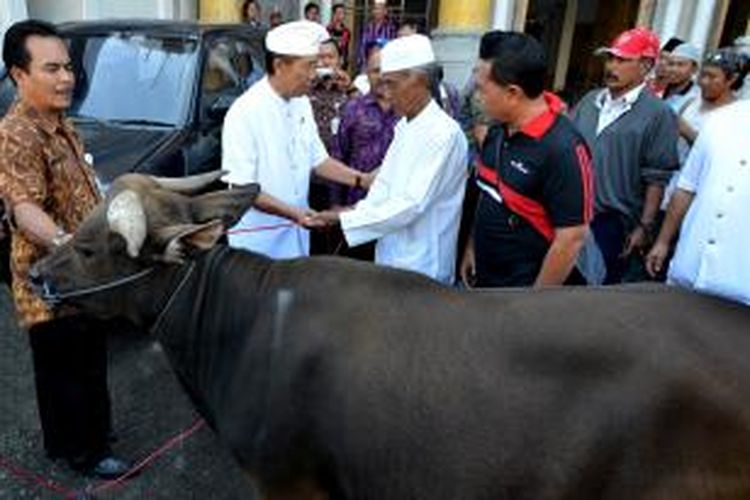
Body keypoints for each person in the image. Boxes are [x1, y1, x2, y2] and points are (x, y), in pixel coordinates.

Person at [0, 20, 131, 479]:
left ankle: (69, 439)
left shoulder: (62, 123)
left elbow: (83, 186)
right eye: (51, 68)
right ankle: (88, 453)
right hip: (52, 278)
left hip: (83, 272)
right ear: (19, 75)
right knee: (70, 367)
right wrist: (67, 243)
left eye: (69, 67)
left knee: (78, 362)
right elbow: (23, 209)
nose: (67, 78)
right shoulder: (17, 132)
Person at [315, 35, 468, 284]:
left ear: (419, 81)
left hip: (423, 265)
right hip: (391, 256)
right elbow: (384, 187)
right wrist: (348, 212)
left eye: (392, 84)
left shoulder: (444, 134)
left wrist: (345, 219)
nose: (385, 92)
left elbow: (411, 204)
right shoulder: (406, 126)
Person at [221, 21, 371, 259]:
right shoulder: (244, 112)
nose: (314, 75)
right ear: (280, 65)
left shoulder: (301, 102)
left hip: (296, 233)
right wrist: (295, 214)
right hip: (258, 243)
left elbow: (318, 160)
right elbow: (242, 189)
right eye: (309, 66)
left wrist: (362, 179)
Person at [460, 32, 593, 288]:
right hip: (486, 286)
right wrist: (472, 247)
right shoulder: (496, 132)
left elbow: (571, 239)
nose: (477, 97)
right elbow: (488, 195)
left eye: (482, 89)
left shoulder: (564, 149)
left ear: (512, 93)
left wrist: (533, 305)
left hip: (524, 301)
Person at [571, 28, 679, 284]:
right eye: (610, 58)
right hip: (570, 213)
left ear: (646, 65)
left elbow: (657, 177)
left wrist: (644, 226)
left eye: (622, 60)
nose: (611, 66)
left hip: (612, 222)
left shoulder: (658, 114)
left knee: (596, 292)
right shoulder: (589, 101)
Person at [645, 99, 750, 305]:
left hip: (741, 287)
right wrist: (663, 241)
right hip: (689, 272)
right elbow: (686, 187)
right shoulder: (721, 119)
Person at [330, 40, 399, 260]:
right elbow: (338, 155)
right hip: (356, 209)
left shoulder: (407, 110)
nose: (382, 76)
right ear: (366, 73)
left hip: (394, 211)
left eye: (386, 70)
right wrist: (336, 206)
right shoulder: (353, 109)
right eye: (375, 70)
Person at [357, 0, 398, 71]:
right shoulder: (367, 28)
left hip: (385, 65)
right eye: (375, 9)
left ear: (385, 12)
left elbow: (393, 47)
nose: (377, 11)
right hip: (369, 64)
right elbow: (362, 47)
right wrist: (362, 64)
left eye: (379, 9)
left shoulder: (391, 28)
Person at [327, 3, 351, 69]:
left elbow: (345, 48)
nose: (340, 15)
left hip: (341, 62)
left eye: (342, 13)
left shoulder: (346, 31)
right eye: (338, 13)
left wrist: (343, 60)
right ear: (334, 14)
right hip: (329, 60)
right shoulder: (327, 30)